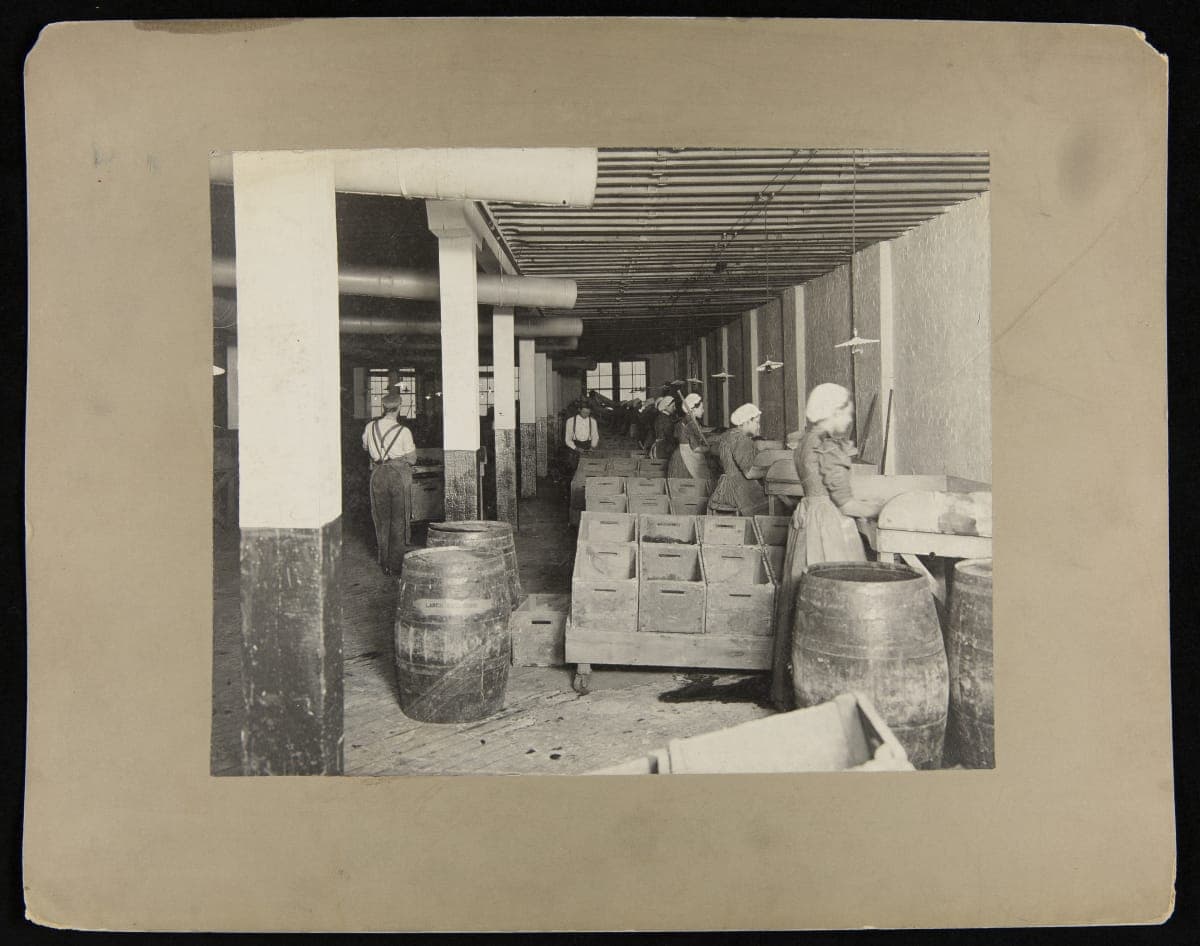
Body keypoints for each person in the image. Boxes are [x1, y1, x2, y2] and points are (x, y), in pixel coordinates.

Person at [768, 383, 886, 709]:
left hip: (809, 517)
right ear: (832, 411)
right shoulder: (827, 447)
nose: (849, 419)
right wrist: (884, 507)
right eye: (846, 412)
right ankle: (837, 691)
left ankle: (798, 687)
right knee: (838, 603)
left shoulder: (806, 440)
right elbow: (847, 504)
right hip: (830, 526)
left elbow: (816, 486)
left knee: (804, 601)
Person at [362, 391, 417, 577]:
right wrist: (400, 458)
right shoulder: (404, 431)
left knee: (381, 519)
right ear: (399, 408)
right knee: (398, 520)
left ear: (383, 407)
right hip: (397, 477)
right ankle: (396, 565)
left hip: (378, 475)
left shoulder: (370, 426)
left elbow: (365, 447)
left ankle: (384, 562)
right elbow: (412, 459)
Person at [707, 402, 769, 515]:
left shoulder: (728, 434)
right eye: (756, 422)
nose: (758, 426)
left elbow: (712, 445)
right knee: (773, 506)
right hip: (740, 490)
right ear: (746, 422)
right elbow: (749, 474)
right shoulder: (742, 440)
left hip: (725, 488)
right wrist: (769, 470)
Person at [667, 392, 710, 479]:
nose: (703, 411)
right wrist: (709, 448)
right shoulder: (691, 423)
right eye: (702, 408)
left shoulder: (684, 420)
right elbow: (696, 448)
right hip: (687, 458)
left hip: (679, 454)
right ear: (693, 409)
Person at [563, 400, 600, 475]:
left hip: (587, 447)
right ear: (579, 410)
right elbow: (567, 439)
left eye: (588, 413)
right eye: (584, 412)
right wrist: (576, 448)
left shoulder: (592, 421)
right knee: (573, 470)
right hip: (574, 447)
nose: (586, 415)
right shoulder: (570, 421)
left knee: (588, 470)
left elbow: (595, 436)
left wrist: (592, 447)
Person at [649, 395, 677, 460]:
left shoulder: (662, 417)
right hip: (663, 448)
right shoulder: (665, 419)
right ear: (666, 406)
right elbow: (669, 435)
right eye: (673, 406)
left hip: (660, 446)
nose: (675, 408)